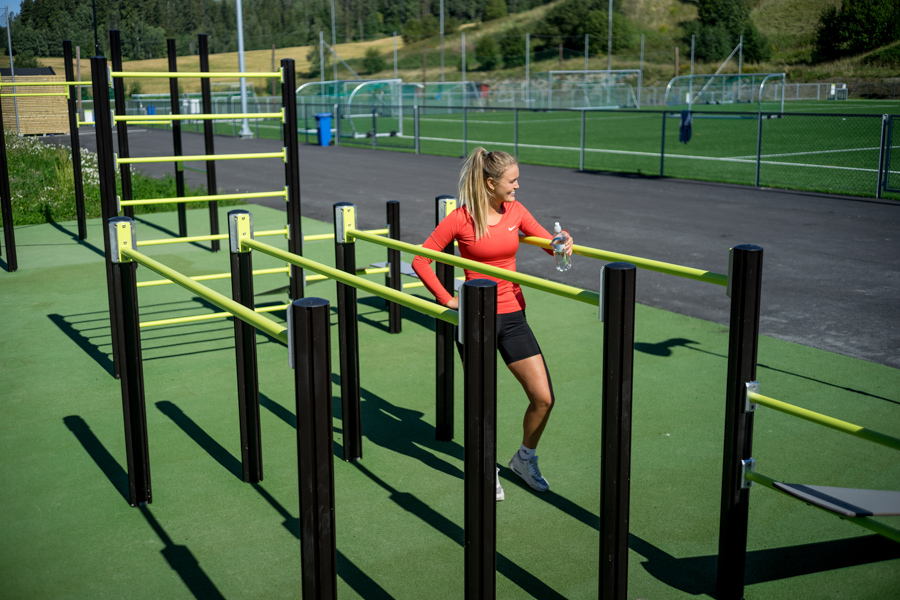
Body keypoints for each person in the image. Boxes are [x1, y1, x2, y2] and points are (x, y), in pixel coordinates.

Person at [412, 147, 573, 501]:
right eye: (512, 181)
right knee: (482, 405)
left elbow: (550, 243)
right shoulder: (460, 219)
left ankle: (524, 458)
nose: (517, 186)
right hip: (476, 320)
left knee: (543, 398)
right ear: (490, 183)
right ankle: (485, 467)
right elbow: (421, 260)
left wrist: (563, 242)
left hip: (513, 315)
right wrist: (449, 300)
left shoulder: (516, 211)